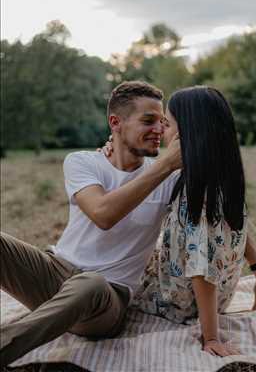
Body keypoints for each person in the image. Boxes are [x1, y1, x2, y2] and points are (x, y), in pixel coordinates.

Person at [0, 81, 183, 367]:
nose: (159, 130)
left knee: (90, 283)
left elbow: (220, 206)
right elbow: (103, 214)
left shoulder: (169, 177)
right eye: (148, 121)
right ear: (116, 123)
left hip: (107, 299)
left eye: (162, 122)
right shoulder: (82, 162)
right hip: (55, 273)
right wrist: (165, 165)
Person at [129, 86, 256, 357]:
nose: (162, 132)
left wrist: (211, 337)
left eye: (167, 124)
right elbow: (235, 224)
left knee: (115, 269)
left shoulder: (195, 193)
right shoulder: (222, 181)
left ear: (184, 135)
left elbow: (200, 269)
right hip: (213, 300)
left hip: (174, 303)